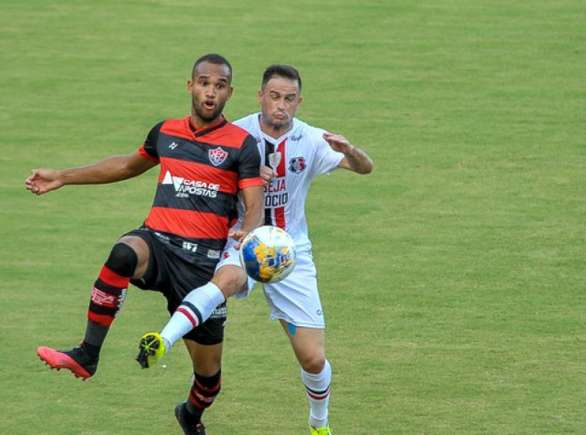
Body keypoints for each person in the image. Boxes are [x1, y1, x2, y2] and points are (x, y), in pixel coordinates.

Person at [25, 53, 264, 435]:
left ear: (230, 93)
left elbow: (254, 203)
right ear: (190, 86)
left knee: (209, 380)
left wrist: (250, 230)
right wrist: (64, 177)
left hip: (202, 269)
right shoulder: (165, 132)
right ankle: (87, 354)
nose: (210, 92)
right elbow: (125, 166)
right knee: (123, 253)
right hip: (158, 243)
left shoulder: (242, 145)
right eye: (204, 83)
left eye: (219, 86)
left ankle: (190, 414)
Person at [138, 64, 374, 435]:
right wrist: (243, 175)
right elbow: (207, 172)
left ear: (299, 102)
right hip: (242, 237)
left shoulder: (312, 140)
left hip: (290, 248)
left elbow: (365, 168)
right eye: (275, 96)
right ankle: (162, 340)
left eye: (289, 99)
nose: (281, 106)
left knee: (313, 358)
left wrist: (350, 150)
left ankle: (319, 424)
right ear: (261, 96)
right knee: (225, 281)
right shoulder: (237, 133)